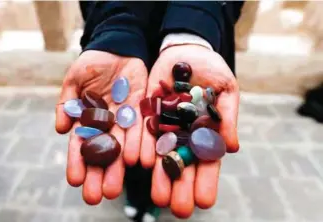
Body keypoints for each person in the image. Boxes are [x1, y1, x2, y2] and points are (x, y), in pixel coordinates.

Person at [55, 2, 244, 222]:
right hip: (125, 48)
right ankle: (135, 195)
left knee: (149, 145)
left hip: (196, 39)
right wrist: (116, 28)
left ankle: (152, 201)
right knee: (134, 144)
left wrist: (193, 28)